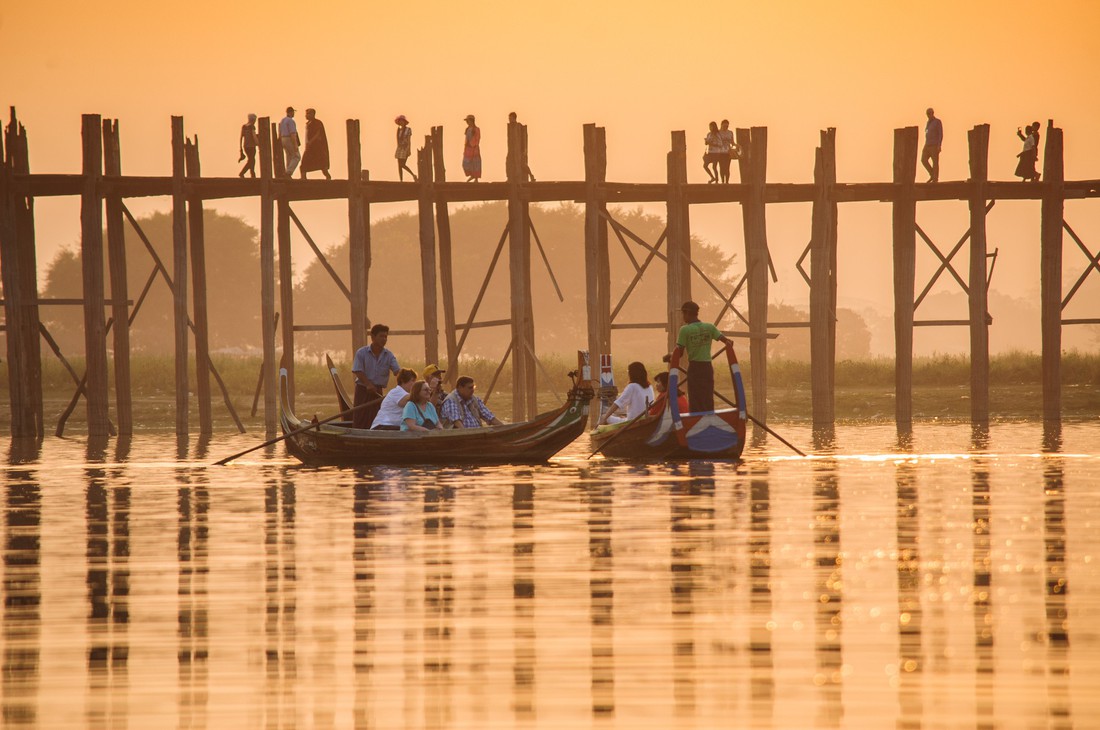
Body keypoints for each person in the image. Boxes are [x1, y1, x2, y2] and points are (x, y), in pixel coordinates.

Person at [673, 300, 733, 413]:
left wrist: (670, 356)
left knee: (695, 397)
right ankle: (709, 419)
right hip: (707, 367)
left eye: (683, 314)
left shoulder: (684, 330)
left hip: (695, 368)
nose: (683, 317)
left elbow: (679, 353)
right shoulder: (710, 327)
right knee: (707, 396)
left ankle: (696, 421)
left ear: (687, 313)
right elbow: (727, 342)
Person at [351, 323, 400, 429]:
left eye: (386, 337)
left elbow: (397, 371)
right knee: (360, 416)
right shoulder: (362, 353)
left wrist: (406, 382)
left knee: (377, 417)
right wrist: (368, 384)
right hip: (363, 389)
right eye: (381, 336)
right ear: (372, 337)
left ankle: (373, 435)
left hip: (377, 392)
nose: (384, 339)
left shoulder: (389, 355)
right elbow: (358, 370)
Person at [300, 108, 331, 180]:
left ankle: (328, 177)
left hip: (317, 147)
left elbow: (318, 133)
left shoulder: (317, 123)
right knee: (304, 163)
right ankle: (303, 178)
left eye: (308, 113)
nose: (306, 115)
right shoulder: (308, 124)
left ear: (313, 114)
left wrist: (310, 142)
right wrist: (307, 144)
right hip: (309, 147)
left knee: (322, 165)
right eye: (306, 114)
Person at [507, 112, 536, 181]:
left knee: (522, 164)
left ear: (514, 118)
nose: (509, 120)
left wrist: (524, 149)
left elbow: (523, 138)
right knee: (509, 162)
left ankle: (531, 175)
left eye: (510, 118)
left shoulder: (519, 126)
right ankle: (510, 178)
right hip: (512, 150)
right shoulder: (510, 127)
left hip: (519, 150)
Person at [278, 107, 301, 178]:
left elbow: (279, 131)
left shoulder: (282, 120)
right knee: (297, 156)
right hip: (289, 139)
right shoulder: (291, 121)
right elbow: (292, 133)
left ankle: (287, 172)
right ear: (291, 112)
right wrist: (295, 145)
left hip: (283, 139)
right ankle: (288, 172)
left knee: (289, 156)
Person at [922, 107, 943, 183]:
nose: (928, 115)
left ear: (933, 113)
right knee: (923, 160)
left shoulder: (937, 122)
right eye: (927, 114)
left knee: (935, 162)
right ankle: (932, 174)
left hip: (934, 145)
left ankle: (935, 178)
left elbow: (940, 134)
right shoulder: (928, 122)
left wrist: (939, 145)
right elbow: (927, 133)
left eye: (930, 113)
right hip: (927, 144)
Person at [394, 115, 417, 182]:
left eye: (402, 121)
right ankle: (401, 180)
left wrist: (409, 149)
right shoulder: (399, 130)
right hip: (400, 147)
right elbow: (397, 140)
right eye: (400, 121)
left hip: (405, 147)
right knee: (399, 165)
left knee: (403, 164)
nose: (401, 122)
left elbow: (409, 140)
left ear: (404, 122)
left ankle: (413, 175)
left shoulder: (408, 130)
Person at [718, 119, 738, 184]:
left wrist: (737, 146)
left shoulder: (730, 133)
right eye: (724, 126)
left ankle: (727, 181)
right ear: (721, 125)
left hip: (728, 152)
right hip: (720, 152)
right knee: (721, 166)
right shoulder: (718, 132)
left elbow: (732, 142)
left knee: (727, 167)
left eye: (727, 126)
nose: (725, 127)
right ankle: (722, 181)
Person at [238, 113, 258, 178]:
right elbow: (254, 136)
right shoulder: (252, 126)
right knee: (251, 160)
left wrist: (241, 147)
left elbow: (241, 137)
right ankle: (242, 173)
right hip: (251, 146)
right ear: (253, 120)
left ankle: (252, 174)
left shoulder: (244, 126)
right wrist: (258, 143)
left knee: (251, 160)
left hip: (246, 146)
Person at [463, 114, 482, 182]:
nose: (467, 122)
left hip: (474, 148)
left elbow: (477, 139)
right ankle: (472, 175)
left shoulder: (476, 129)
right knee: (465, 163)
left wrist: (473, 145)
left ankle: (476, 178)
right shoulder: (467, 129)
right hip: (468, 149)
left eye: (468, 121)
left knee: (475, 162)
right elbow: (466, 139)